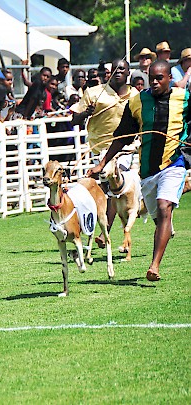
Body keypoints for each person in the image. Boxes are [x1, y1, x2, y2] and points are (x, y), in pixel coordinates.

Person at [86, 59, 189, 282]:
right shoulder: (137, 102)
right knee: (158, 215)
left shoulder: (184, 98)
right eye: (151, 78)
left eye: (159, 78)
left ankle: (154, 266)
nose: (154, 82)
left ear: (169, 78)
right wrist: (102, 164)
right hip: (148, 172)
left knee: (164, 207)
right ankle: (164, 227)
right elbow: (122, 136)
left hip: (174, 164)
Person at [71, 59, 138, 246]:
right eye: (115, 69)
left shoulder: (135, 95)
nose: (118, 72)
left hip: (124, 149)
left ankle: (105, 232)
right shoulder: (93, 93)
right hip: (98, 149)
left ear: (128, 73)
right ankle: (96, 228)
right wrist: (86, 113)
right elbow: (74, 120)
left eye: (122, 69)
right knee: (102, 191)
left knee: (113, 186)